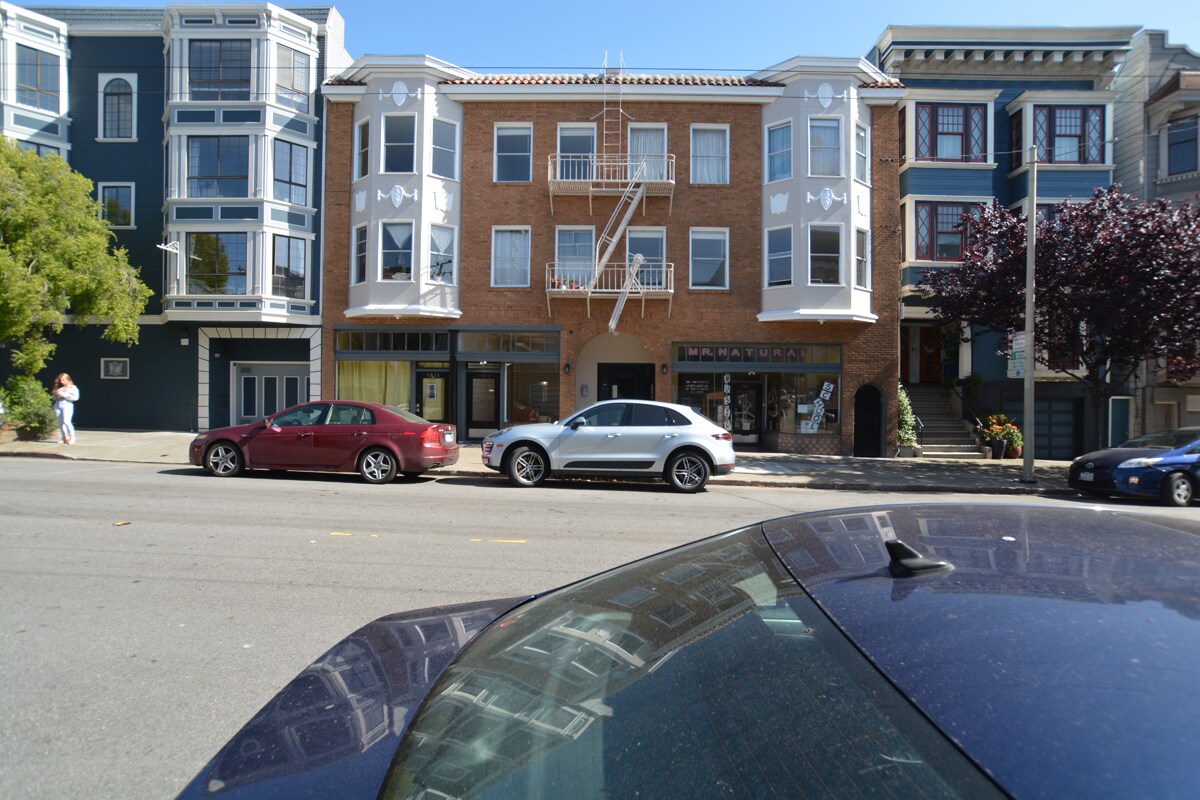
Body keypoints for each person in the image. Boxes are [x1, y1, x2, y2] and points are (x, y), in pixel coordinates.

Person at [51, 372, 80, 444]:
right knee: (60, 422)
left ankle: (72, 437)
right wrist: (56, 395)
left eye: (63, 380)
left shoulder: (73, 388)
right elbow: (53, 398)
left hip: (67, 405)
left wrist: (63, 394)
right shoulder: (60, 388)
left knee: (66, 421)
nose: (62, 382)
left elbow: (75, 397)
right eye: (61, 380)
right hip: (58, 405)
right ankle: (64, 437)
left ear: (68, 379)